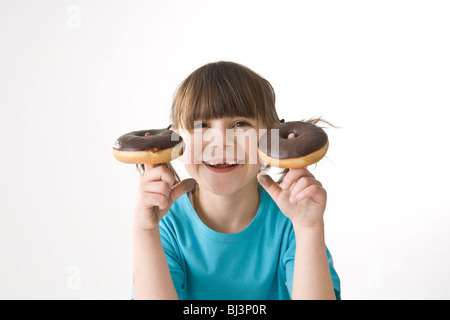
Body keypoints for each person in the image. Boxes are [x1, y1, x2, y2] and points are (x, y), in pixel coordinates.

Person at [132, 61, 341, 300]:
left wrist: (308, 229)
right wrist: (145, 231)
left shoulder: (292, 223)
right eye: (201, 125)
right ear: (175, 138)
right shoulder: (167, 227)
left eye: (241, 124)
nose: (221, 141)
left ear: (271, 137)